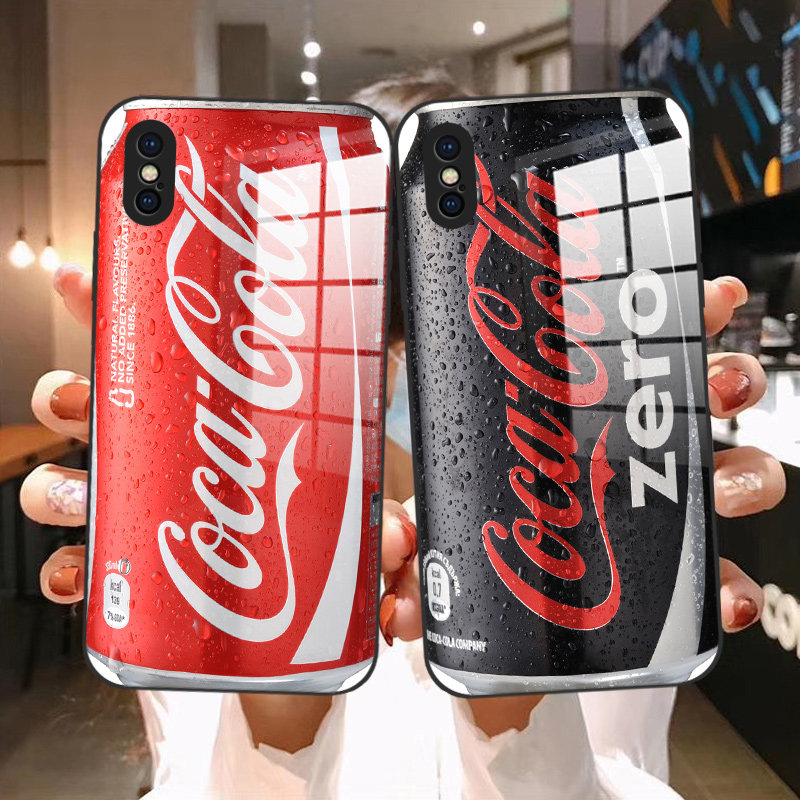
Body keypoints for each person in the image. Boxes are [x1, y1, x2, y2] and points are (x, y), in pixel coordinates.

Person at [21, 70, 786, 799]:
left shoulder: (589, 516)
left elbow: (622, 768)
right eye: (380, 296)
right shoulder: (223, 530)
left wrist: (516, 663)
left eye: (448, 286)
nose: (409, 354)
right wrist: (282, 677)